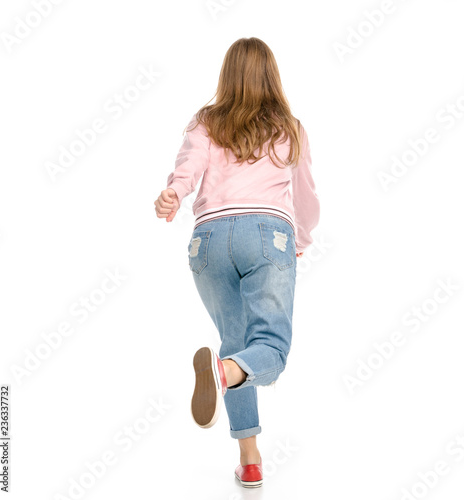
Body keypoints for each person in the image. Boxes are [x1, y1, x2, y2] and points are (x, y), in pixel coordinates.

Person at [154, 37, 320, 488]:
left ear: (227, 75)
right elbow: (305, 199)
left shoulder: (206, 121)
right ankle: (222, 372)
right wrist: (301, 239)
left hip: (208, 242)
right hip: (268, 237)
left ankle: (250, 458)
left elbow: (188, 167)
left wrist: (174, 193)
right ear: (272, 74)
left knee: (236, 343)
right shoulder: (291, 127)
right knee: (270, 349)